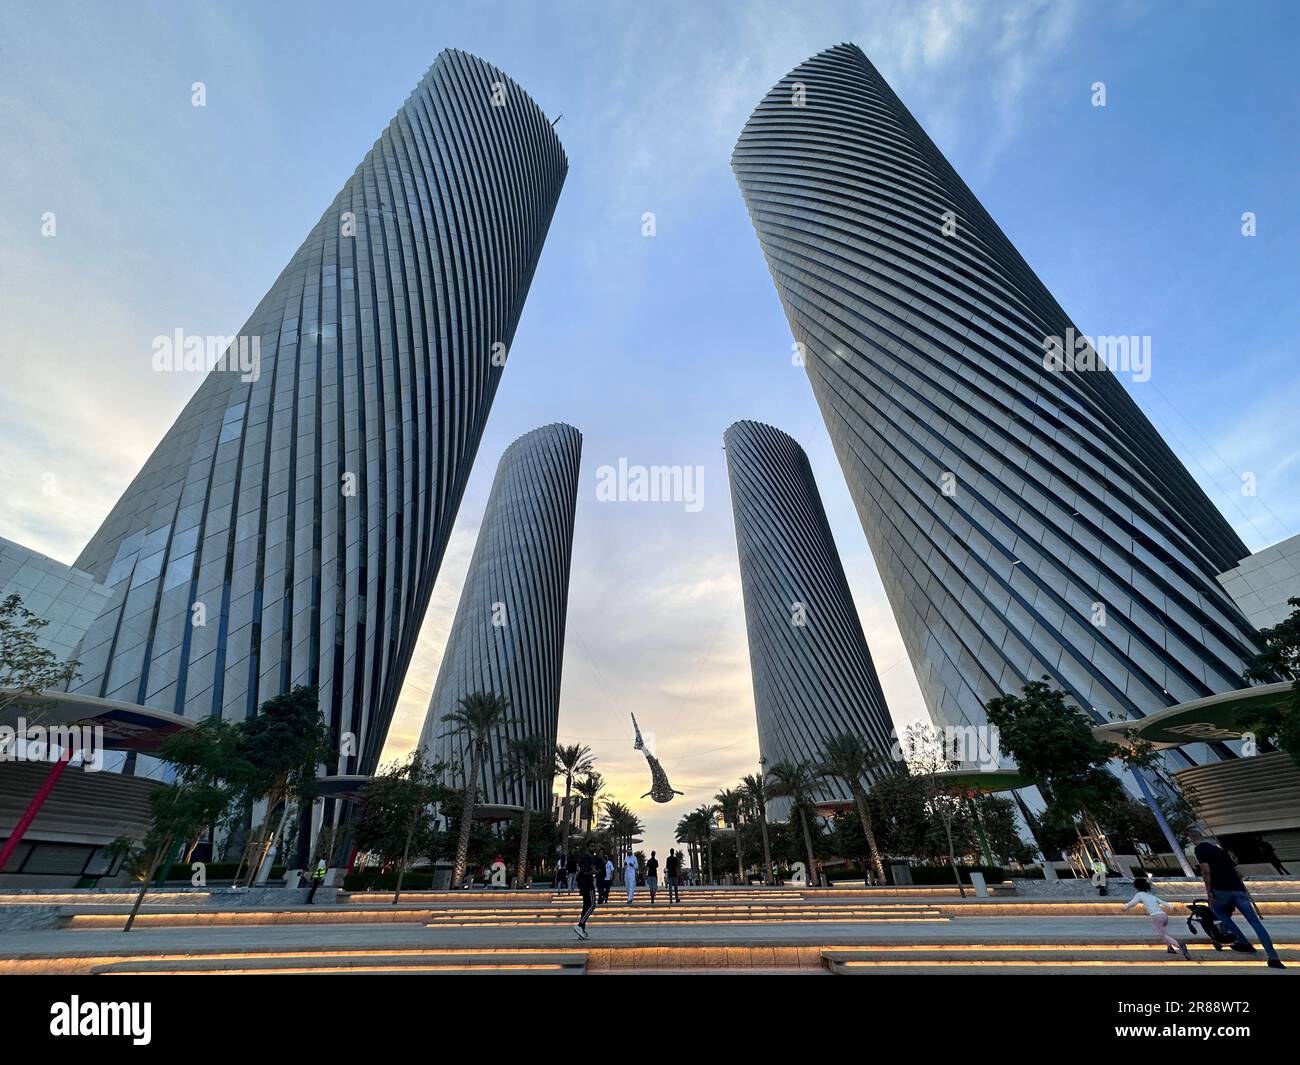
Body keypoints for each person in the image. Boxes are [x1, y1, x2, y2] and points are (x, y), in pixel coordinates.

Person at [1191, 829, 1284, 969]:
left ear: (1192, 838)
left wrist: (1209, 891)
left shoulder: (1199, 849)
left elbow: (1206, 870)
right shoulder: (1219, 850)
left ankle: (1243, 941)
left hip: (1220, 890)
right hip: (1238, 890)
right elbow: (1238, 872)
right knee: (1255, 923)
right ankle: (1273, 958)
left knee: (1217, 911)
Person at [1122, 876, 1190, 959]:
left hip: (1157, 917)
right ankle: (1170, 948)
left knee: (1163, 935)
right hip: (1164, 916)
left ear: (1137, 887)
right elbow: (1162, 902)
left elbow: (1132, 903)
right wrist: (1172, 907)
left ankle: (1180, 945)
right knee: (1163, 932)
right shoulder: (1151, 895)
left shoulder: (1139, 895)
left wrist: (1124, 907)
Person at [573, 844, 599, 940]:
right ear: (587, 848)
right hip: (588, 885)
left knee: (585, 907)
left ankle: (582, 931)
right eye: (591, 846)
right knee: (592, 905)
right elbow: (584, 872)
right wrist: (593, 872)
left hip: (583, 885)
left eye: (593, 846)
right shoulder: (588, 859)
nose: (593, 848)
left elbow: (580, 872)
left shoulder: (584, 859)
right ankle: (580, 925)